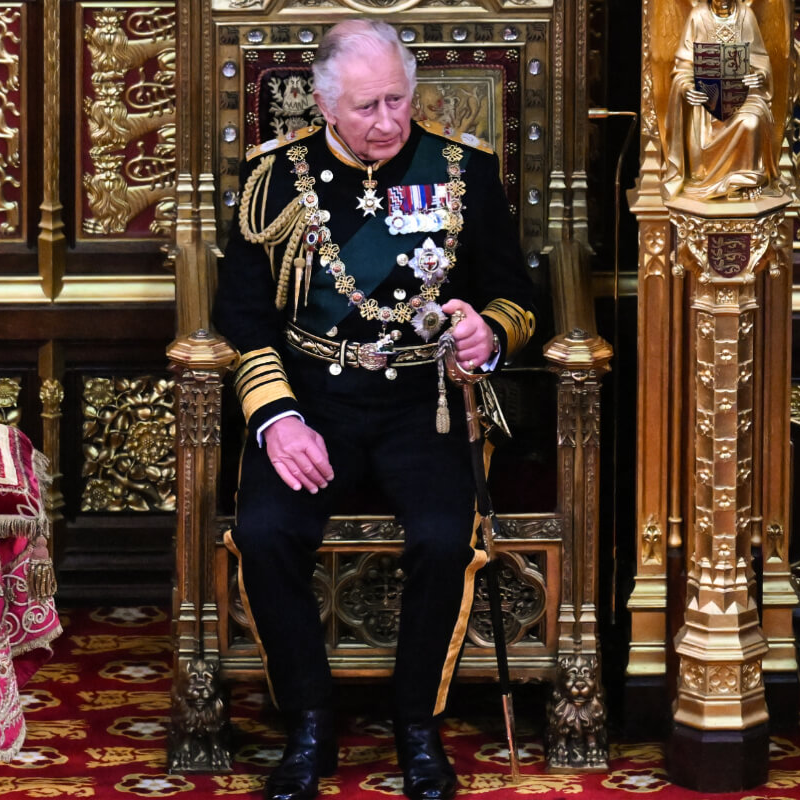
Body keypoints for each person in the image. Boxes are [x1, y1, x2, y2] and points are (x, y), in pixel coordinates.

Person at [214, 18, 536, 800]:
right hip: (312, 399)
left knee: (439, 537)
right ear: (324, 103)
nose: (389, 121)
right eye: (366, 106)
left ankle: (416, 726)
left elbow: (520, 297)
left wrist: (486, 331)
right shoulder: (276, 182)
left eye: (399, 99)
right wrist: (276, 417)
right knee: (263, 531)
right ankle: (310, 723)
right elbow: (244, 316)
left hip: (424, 402)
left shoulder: (465, 171)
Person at [663, 0, 779, 199]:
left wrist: (760, 75)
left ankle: (746, 181)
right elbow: (683, 67)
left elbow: (761, 60)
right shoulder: (697, 16)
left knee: (752, 121)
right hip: (706, 102)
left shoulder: (746, 16)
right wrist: (687, 88)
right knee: (701, 130)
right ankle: (705, 177)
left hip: (743, 96)